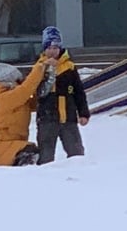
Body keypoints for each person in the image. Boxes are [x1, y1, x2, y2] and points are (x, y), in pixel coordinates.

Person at [33, 28, 89, 162]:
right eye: (49, 48)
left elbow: (79, 92)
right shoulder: (39, 67)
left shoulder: (69, 66)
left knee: (76, 151)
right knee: (46, 153)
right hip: (47, 117)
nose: (52, 51)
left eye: (55, 48)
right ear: (44, 49)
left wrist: (83, 113)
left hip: (68, 117)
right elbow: (35, 90)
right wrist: (46, 71)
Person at [0, 57, 46, 167]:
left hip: (11, 144)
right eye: (18, 80)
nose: (20, 82)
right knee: (30, 152)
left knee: (30, 152)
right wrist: (40, 67)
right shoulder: (5, 98)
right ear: (11, 81)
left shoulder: (16, 98)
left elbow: (33, 103)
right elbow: (26, 89)